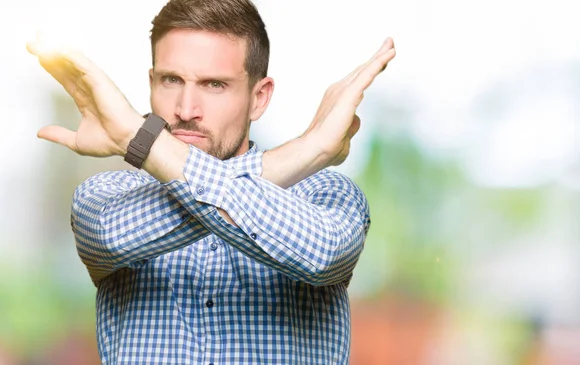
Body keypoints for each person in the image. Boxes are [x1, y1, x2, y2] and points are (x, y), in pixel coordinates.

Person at [28, 0, 395, 363]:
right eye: (171, 80)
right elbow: (111, 237)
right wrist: (306, 151)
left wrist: (138, 137)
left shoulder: (326, 194)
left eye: (214, 85)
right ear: (151, 83)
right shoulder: (104, 197)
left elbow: (321, 253)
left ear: (259, 98)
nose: (186, 110)